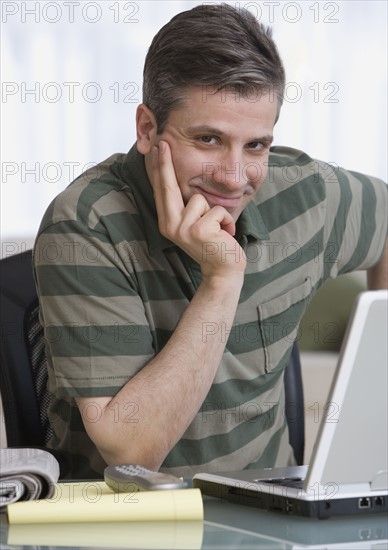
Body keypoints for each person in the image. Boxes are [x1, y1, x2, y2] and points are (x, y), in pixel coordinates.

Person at [33, 3, 387, 480]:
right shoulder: (86, 224)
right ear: (147, 129)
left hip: (274, 518)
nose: (234, 177)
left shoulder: (306, 196)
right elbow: (131, 450)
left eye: (256, 145)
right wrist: (222, 279)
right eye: (207, 140)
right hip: (131, 525)